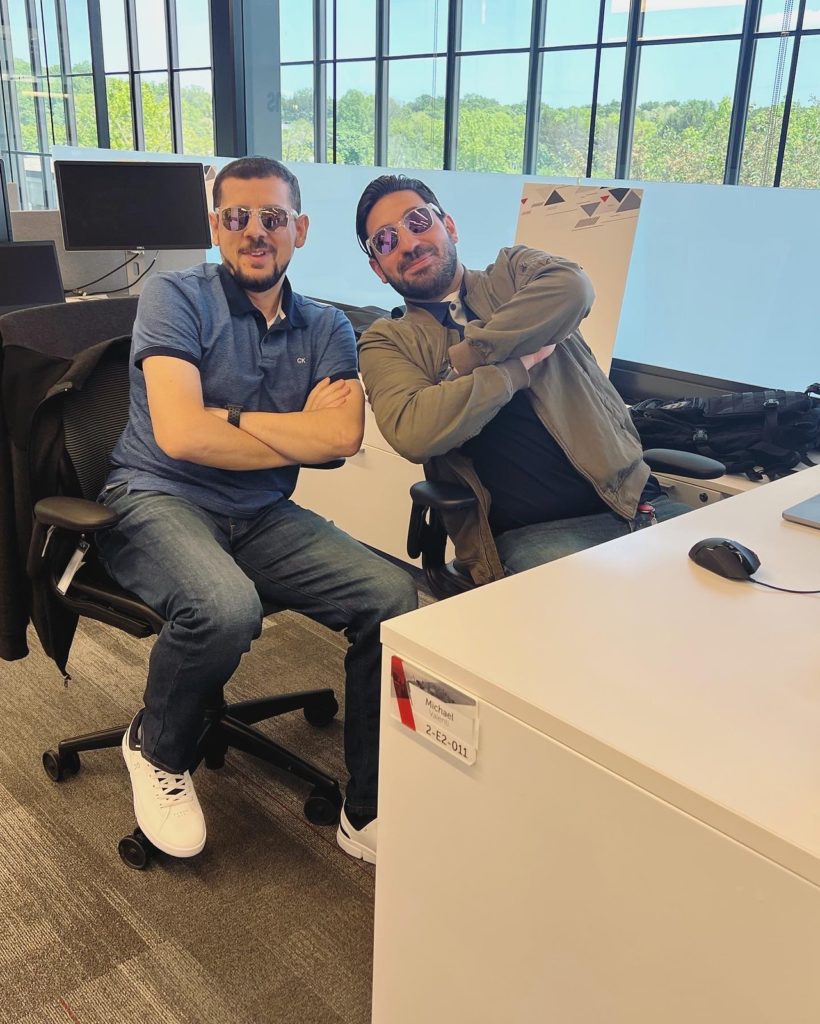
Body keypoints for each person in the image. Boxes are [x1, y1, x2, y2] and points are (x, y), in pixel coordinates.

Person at [97, 157, 417, 865]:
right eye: (236, 217)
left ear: (299, 229)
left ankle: (367, 809)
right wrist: (281, 431)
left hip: (263, 514)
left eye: (272, 217)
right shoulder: (175, 296)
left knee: (395, 598)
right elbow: (179, 437)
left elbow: (339, 440)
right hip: (157, 495)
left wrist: (228, 418)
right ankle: (155, 744)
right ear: (216, 227)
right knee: (225, 607)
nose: (254, 232)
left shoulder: (328, 326)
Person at [354, 174, 691, 586]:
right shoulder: (388, 342)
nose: (408, 243)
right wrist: (514, 370)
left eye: (418, 221)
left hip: (633, 500)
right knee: (614, 626)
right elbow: (413, 431)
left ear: (450, 226)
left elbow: (573, 288)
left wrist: (471, 356)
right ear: (377, 268)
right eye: (386, 241)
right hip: (535, 537)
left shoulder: (513, 274)